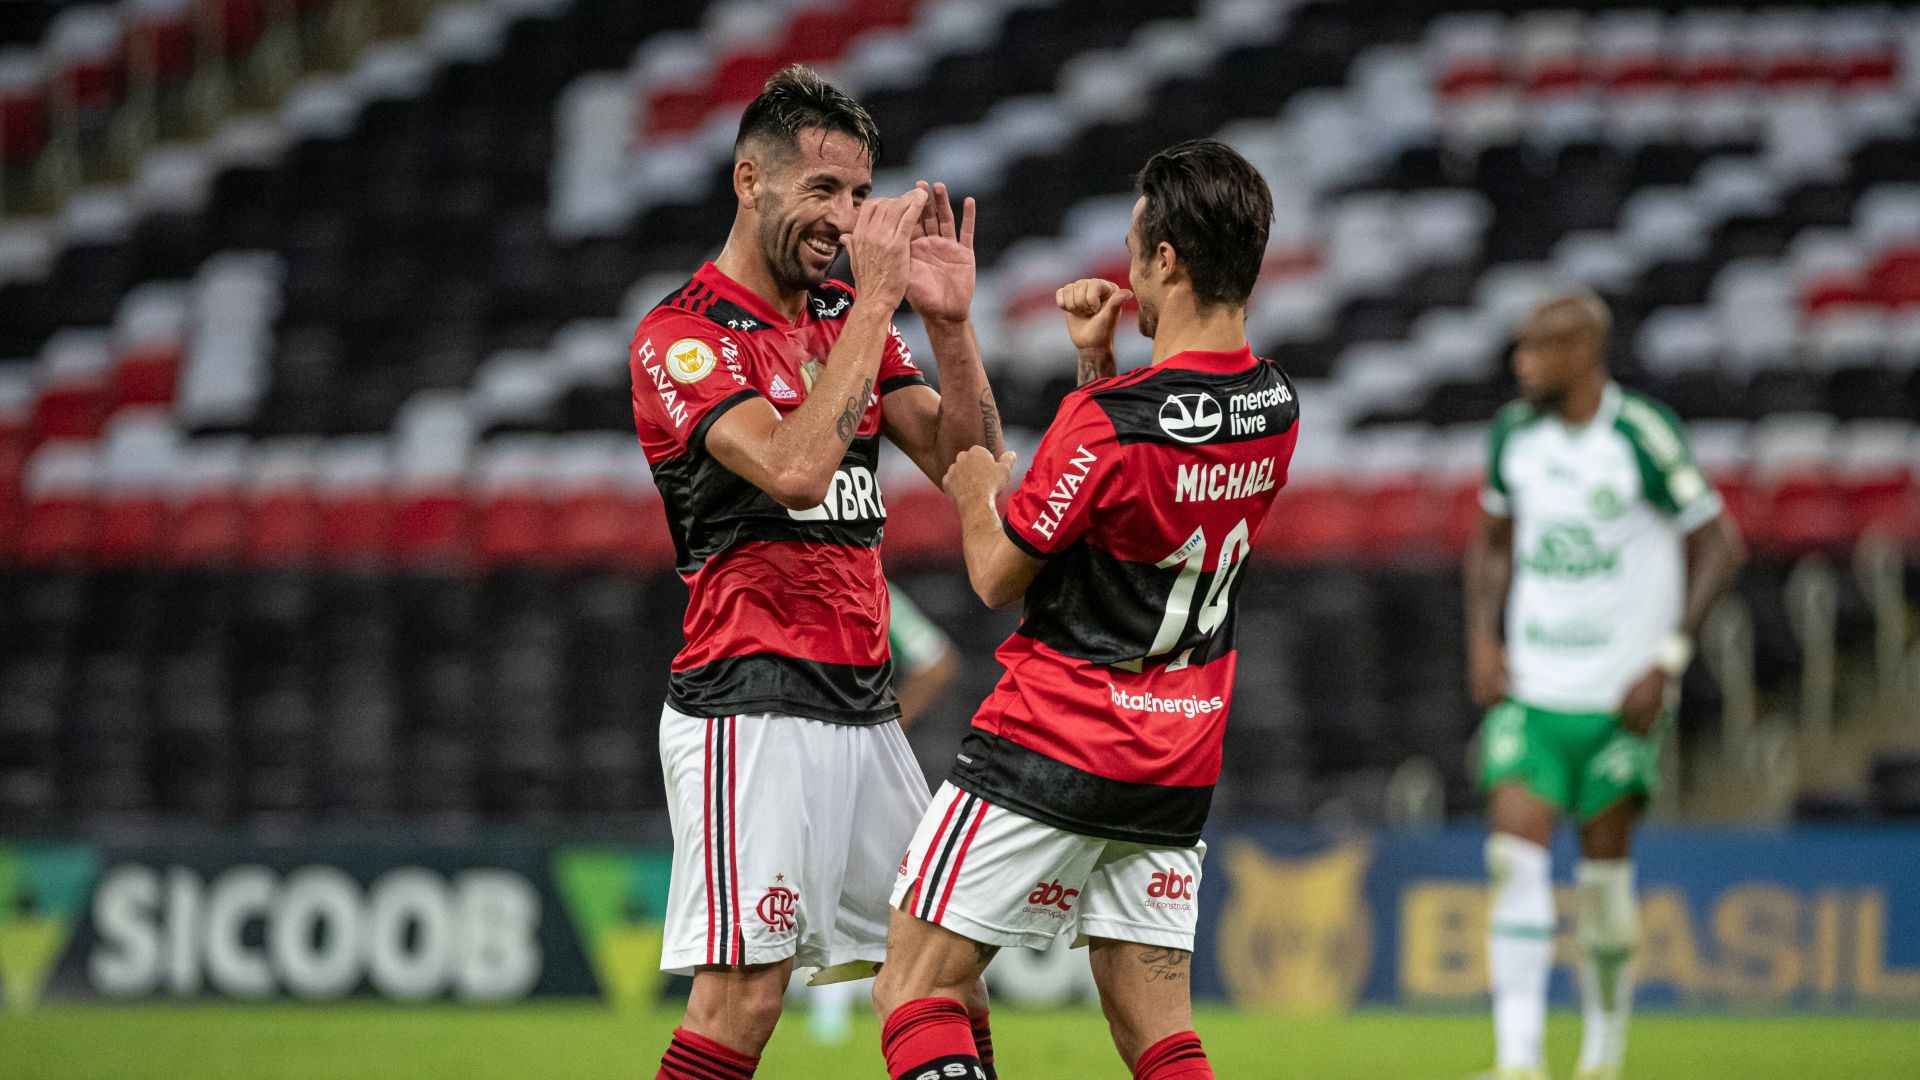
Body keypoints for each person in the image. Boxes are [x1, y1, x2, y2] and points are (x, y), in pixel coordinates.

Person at [871, 139, 1297, 1080]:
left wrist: (977, 482)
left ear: (1168, 260)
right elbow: (1140, 504)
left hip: (1054, 741)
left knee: (915, 987)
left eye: (1137, 246)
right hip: (1177, 756)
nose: (1129, 268)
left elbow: (996, 574)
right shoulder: (1277, 405)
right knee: (1157, 1029)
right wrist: (1098, 364)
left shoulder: (1106, 424)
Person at [627, 64, 1002, 1080]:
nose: (845, 216)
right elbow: (797, 470)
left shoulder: (847, 312)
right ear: (750, 181)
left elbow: (970, 462)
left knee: (947, 974)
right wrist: (880, 300)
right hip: (750, 706)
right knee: (743, 999)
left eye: (857, 191)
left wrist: (953, 328)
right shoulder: (684, 339)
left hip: (860, 702)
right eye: (823, 190)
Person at [1465, 291, 1746, 1080]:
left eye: (1535, 350)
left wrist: (1670, 658)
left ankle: (1602, 1056)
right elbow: (1488, 542)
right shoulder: (1513, 436)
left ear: (1582, 352)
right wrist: (1483, 638)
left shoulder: (1641, 436)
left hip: (1621, 697)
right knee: (1510, 861)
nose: (1521, 364)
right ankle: (1518, 1060)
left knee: (1602, 888)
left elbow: (1723, 544)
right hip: (1534, 690)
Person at [806, 582, 961, 1045]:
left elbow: (937, 663)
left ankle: (850, 1008)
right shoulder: (858, 581)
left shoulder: (867, 586)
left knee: (836, 877)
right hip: (831, 754)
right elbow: (938, 661)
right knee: (845, 878)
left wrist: (886, 719)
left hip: (839, 754)